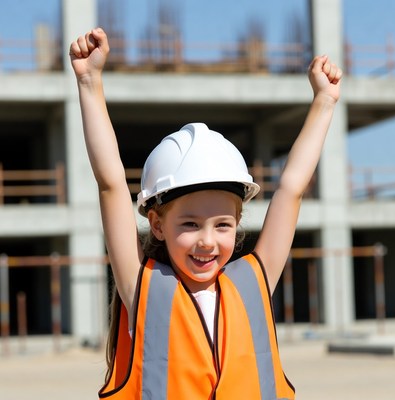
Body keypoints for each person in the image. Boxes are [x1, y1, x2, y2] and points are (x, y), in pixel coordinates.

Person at [70, 27, 342, 400]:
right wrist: (89, 81)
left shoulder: (253, 287)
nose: (207, 240)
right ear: (157, 224)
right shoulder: (142, 291)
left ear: (238, 225)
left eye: (222, 225)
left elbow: (292, 189)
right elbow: (110, 183)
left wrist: (324, 103)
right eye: (190, 224)